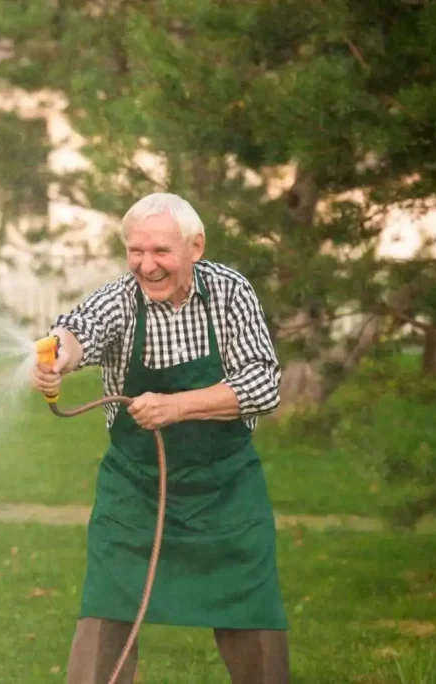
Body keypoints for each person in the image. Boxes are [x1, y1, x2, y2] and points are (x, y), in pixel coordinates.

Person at [32, 193, 290, 684]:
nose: (146, 266)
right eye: (136, 251)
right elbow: (78, 328)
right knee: (105, 611)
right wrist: (57, 359)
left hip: (226, 489)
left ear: (195, 246)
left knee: (253, 614)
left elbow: (264, 383)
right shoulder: (120, 298)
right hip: (135, 489)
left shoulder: (230, 293)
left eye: (160, 252)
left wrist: (177, 406)